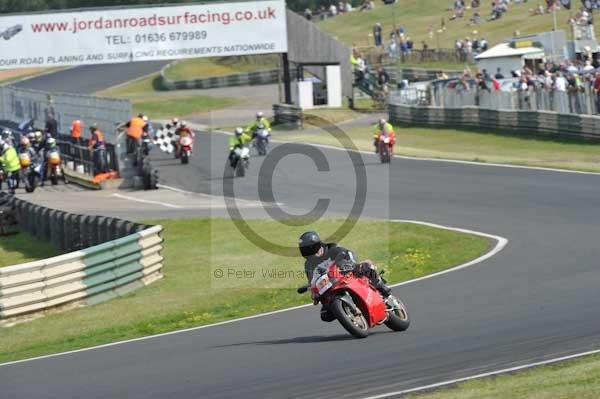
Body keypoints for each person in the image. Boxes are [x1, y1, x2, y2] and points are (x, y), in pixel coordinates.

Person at [298, 231, 393, 321]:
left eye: (311, 248)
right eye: (305, 250)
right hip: (330, 283)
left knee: (365, 266)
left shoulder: (331, 248)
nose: (309, 252)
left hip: (346, 273)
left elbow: (348, 254)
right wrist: (313, 289)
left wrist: (348, 264)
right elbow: (311, 279)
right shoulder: (309, 264)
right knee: (325, 314)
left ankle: (383, 289)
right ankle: (343, 311)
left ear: (318, 245)